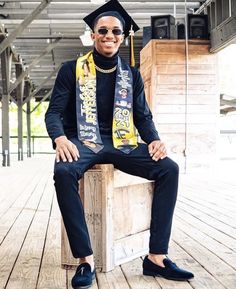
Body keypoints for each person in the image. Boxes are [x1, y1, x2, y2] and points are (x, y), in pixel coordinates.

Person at [45, 0, 194, 288]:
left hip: (122, 140)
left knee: (169, 169)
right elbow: (53, 112)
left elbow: (143, 116)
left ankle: (156, 258)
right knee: (63, 172)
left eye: (116, 31)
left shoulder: (132, 75)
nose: (109, 35)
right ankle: (85, 260)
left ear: (123, 36)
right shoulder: (70, 70)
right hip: (84, 140)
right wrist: (60, 137)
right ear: (93, 34)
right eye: (103, 30)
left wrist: (155, 140)